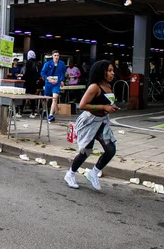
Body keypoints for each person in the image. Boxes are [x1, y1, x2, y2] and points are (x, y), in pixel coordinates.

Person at [64, 60, 119, 190]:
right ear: (102, 72)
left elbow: (106, 103)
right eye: (110, 70)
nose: (112, 73)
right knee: (86, 152)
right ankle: (70, 174)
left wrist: (110, 107)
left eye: (113, 70)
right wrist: (103, 106)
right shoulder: (94, 87)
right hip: (89, 122)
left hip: (102, 123)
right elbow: (82, 105)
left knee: (111, 149)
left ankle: (93, 172)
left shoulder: (108, 86)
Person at [40, 50, 66, 122]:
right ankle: (44, 110)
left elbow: (63, 73)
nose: (56, 57)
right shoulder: (48, 64)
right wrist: (48, 78)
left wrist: (62, 80)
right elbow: (42, 72)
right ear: (52, 56)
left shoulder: (62, 64)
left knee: (55, 98)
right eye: (55, 55)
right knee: (46, 98)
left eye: (58, 55)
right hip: (48, 83)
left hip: (56, 84)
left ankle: (51, 115)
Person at [22, 50, 41, 118]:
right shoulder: (38, 63)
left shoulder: (28, 62)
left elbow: (26, 73)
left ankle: (20, 111)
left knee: (24, 96)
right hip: (34, 82)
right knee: (32, 97)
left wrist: (22, 78)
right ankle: (33, 112)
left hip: (27, 82)